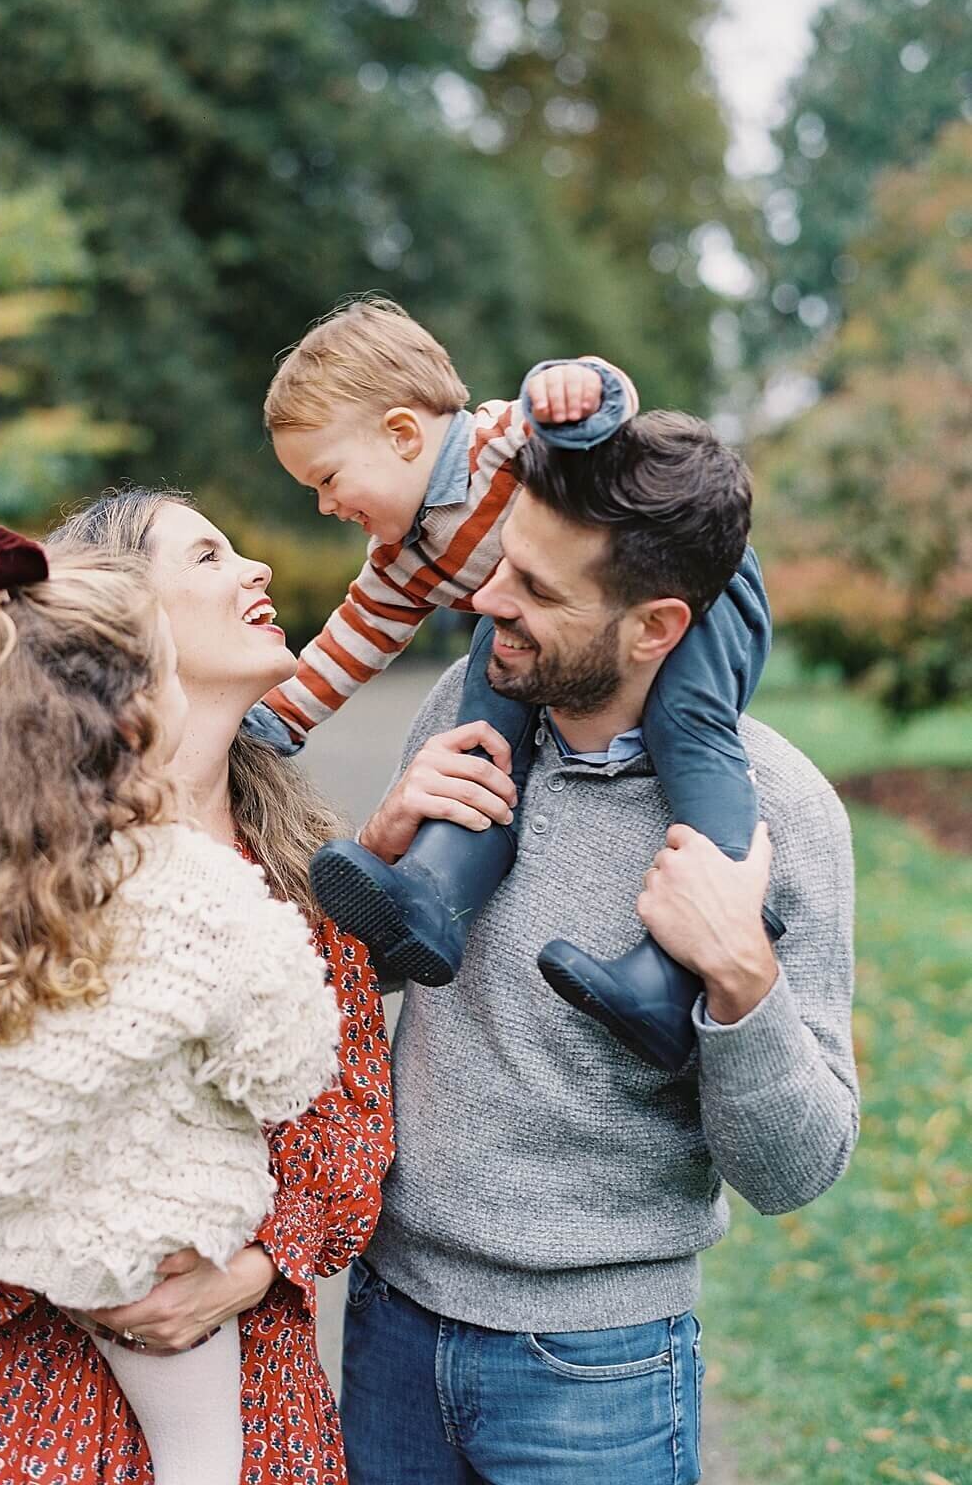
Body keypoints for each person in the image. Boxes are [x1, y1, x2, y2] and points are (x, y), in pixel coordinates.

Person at [0, 495, 394, 1485]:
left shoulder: (296, 869)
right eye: (209, 552)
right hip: (4, 1407)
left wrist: (227, 1278)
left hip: (239, 1372)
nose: (257, 571)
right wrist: (17, 1219)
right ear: (124, 626)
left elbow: (345, 1144)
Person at [336, 408, 859, 1484]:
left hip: (598, 1372)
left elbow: (796, 1170)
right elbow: (363, 987)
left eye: (536, 588)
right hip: (391, 1321)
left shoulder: (782, 814)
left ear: (654, 627)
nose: (487, 601)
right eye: (502, 565)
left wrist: (741, 987)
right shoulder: (459, 710)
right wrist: (383, 852)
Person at [253, 299, 772, 1071]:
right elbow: (350, 640)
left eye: (327, 479)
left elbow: (613, 419)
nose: (327, 505)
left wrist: (573, 390)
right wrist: (269, 721)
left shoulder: (505, 442)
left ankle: (667, 977)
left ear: (402, 435)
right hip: (531, 640)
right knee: (477, 736)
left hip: (695, 595)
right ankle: (436, 895)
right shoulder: (404, 559)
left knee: (689, 735)